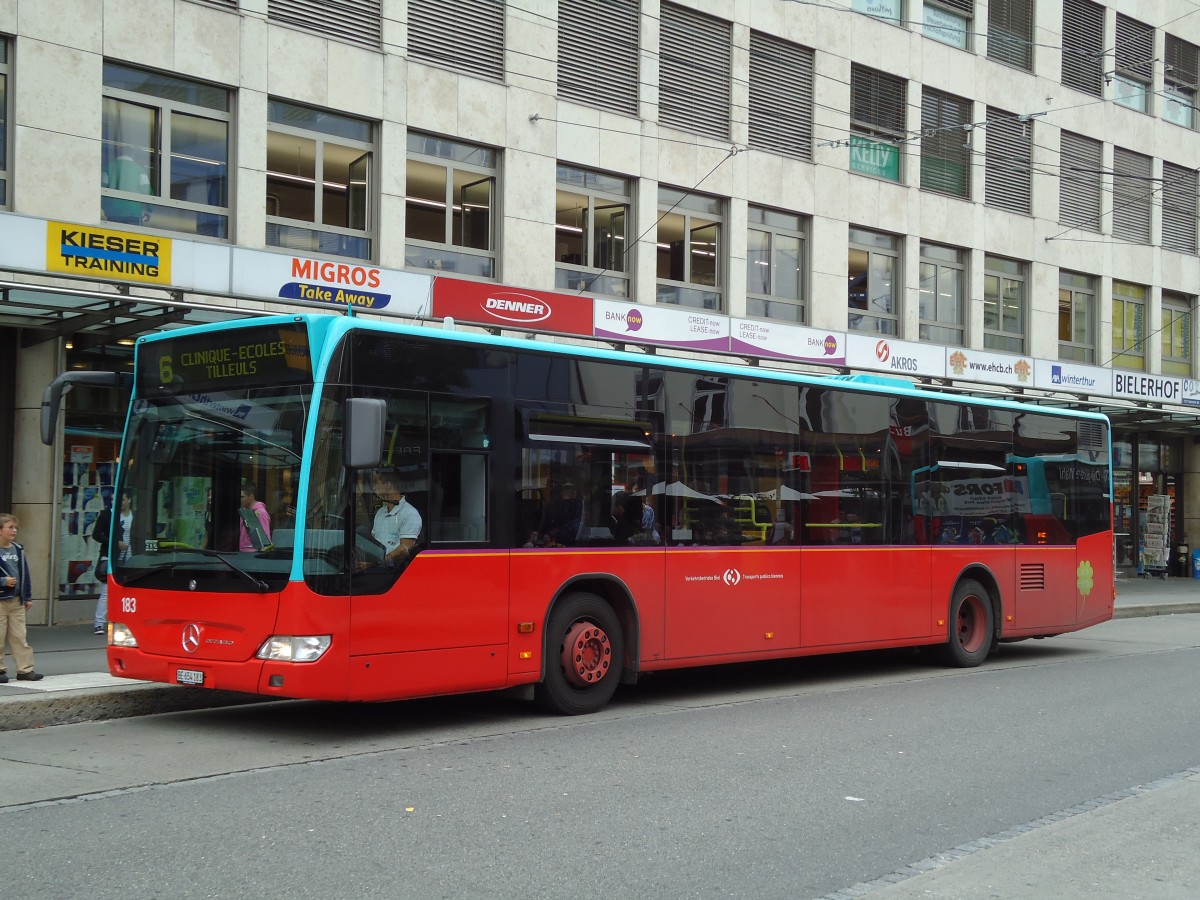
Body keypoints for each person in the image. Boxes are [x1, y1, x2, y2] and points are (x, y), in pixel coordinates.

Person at [0, 513, 42, 682]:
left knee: (19, 636)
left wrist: (28, 596)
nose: (14, 530)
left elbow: (25, 574)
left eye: (15, 528)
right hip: (1, 600)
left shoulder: (18, 549)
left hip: (17, 600)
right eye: (10, 527)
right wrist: (3, 581)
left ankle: (25, 669)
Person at [91, 489, 132, 635]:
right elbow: (96, 534)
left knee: (128, 591)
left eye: (121, 499)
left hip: (131, 556)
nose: (117, 502)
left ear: (129, 500)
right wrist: (114, 543)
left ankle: (123, 622)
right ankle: (99, 623)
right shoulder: (108, 514)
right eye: (114, 500)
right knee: (106, 590)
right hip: (111, 556)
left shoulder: (134, 515)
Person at [364, 468, 422, 568]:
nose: (374, 487)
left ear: (388, 485)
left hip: (394, 571)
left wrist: (376, 563)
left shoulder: (410, 514)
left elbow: (404, 550)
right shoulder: (380, 512)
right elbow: (373, 542)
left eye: (376, 482)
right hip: (374, 568)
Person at [238, 483, 272, 551]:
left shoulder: (261, 513)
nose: (240, 499)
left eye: (242, 497)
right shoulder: (244, 511)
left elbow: (265, 542)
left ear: (251, 496)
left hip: (253, 554)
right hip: (242, 552)